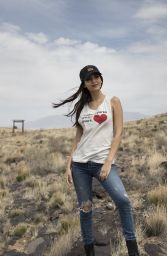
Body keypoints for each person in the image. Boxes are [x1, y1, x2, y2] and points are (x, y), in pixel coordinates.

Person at [52, 65, 140, 256]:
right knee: (86, 209)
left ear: (101, 78)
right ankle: (90, 251)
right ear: (84, 84)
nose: (94, 80)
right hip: (80, 166)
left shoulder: (113, 101)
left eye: (97, 76)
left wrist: (109, 162)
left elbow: (118, 133)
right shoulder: (81, 108)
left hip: (103, 163)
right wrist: (69, 165)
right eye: (89, 78)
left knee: (123, 201)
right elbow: (77, 139)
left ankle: (133, 250)